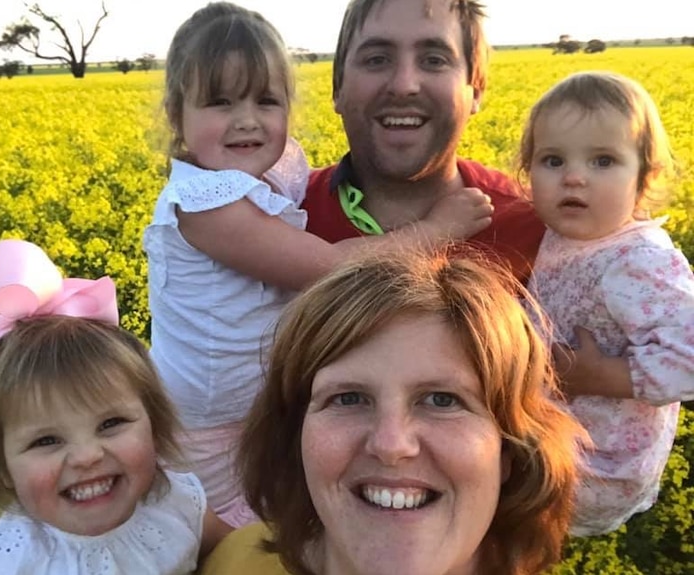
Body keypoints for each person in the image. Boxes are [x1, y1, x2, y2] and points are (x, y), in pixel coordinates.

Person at [143, 1, 492, 527]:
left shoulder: (260, 187)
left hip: (246, 410)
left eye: (267, 100)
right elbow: (328, 266)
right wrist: (436, 232)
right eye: (220, 102)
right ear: (177, 116)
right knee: (203, 536)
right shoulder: (204, 203)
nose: (247, 121)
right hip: (204, 421)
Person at [199, 249, 587, 575]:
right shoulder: (239, 561)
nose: (391, 444)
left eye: (442, 400)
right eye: (349, 398)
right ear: (295, 437)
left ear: (510, 449)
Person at [0, 239, 229, 575]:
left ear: (154, 423)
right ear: (3, 467)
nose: (87, 456)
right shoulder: (5, 564)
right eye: (46, 441)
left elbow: (239, 553)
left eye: (111, 423)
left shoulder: (175, 504)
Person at [517, 71, 694, 536]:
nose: (573, 177)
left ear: (644, 180)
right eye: (553, 160)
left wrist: (599, 376)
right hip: (556, 434)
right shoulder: (565, 234)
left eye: (603, 161)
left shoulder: (640, 260)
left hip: (599, 468)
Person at [301, 0, 545, 282]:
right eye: (376, 59)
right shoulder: (279, 217)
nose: (404, 86)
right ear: (337, 89)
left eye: (434, 60)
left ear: (476, 90)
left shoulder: (538, 229)